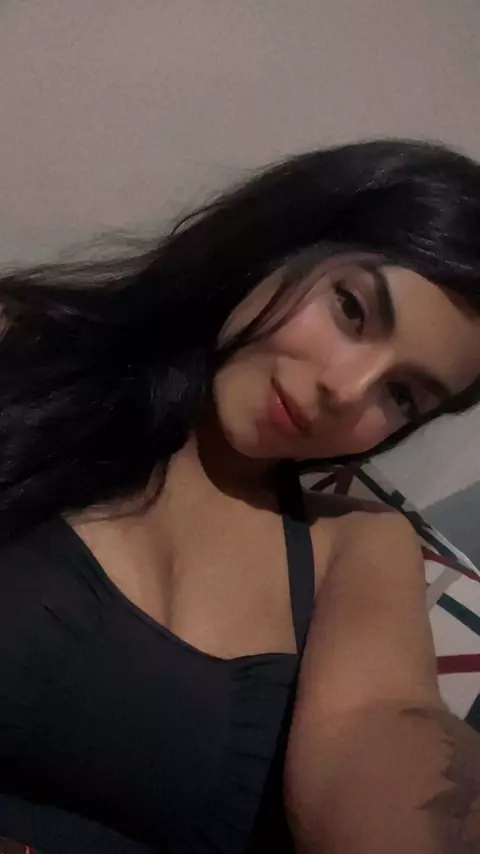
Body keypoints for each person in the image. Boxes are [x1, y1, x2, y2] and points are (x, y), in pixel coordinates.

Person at [0, 138, 479, 854]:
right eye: (352, 309)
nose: (345, 391)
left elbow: (388, 720)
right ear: (285, 240)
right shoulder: (23, 355)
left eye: (402, 394)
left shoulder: (359, 544)